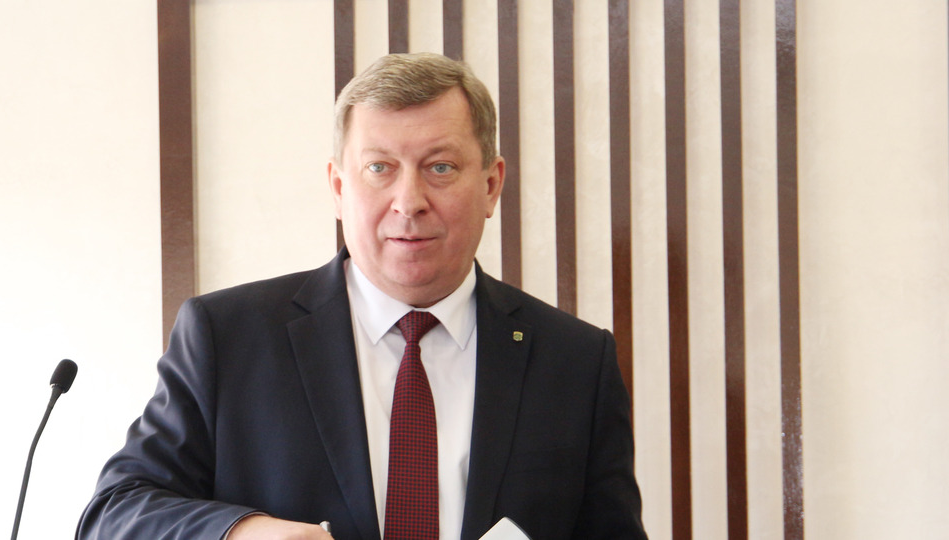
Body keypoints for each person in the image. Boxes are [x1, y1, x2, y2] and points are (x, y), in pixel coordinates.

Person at [76, 52, 646, 540]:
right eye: (379, 168)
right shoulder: (228, 335)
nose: (409, 200)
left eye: (440, 167)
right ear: (338, 187)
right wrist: (240, 532)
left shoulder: (576, 362)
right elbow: (114, 513)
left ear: (492, 184)